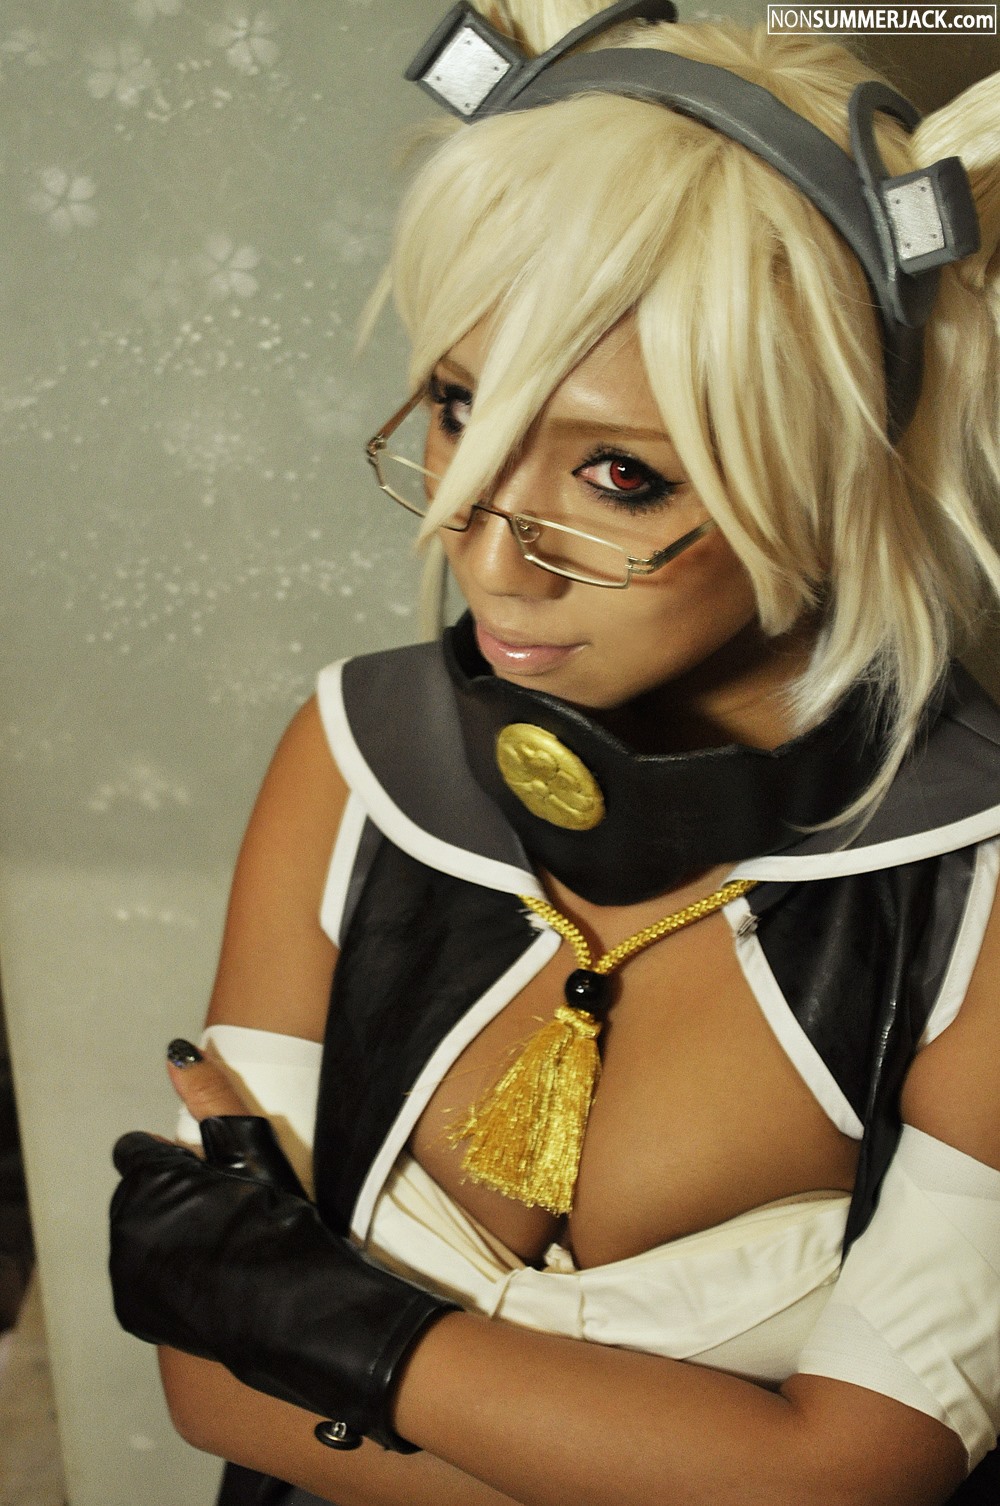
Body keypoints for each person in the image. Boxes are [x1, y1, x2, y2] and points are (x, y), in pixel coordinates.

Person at [109, 3, 1000, 1504]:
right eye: (462, 408)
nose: (481, 544)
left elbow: (850, 1478)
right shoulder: (347, 758)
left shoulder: (979, 890)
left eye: (619, 474)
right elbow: (210, 1388)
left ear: (835, 475)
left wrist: (307, 1314)